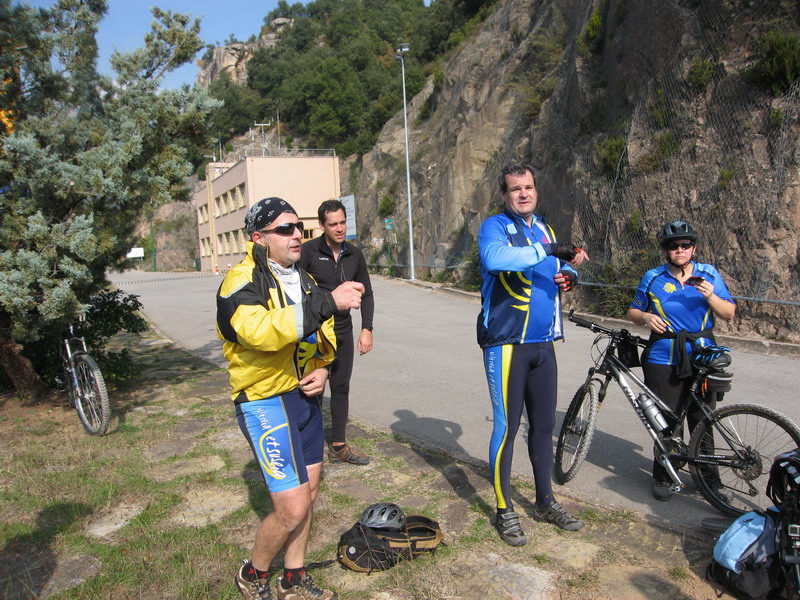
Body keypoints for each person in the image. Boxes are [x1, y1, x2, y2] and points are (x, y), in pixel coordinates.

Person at [217, 197, 363, 600]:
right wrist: (328, 302)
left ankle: (293, 578)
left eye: (298, 226)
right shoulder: (240, 279)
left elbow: (326, 333)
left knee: (311, 495)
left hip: (304, 401)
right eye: (285, 228)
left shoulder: (304, 280)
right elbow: (258, 330)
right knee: (293, 508)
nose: (297, 234)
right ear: (258, 237)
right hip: (263, 402)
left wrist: (322, 366)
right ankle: (253, 573)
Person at [477, 162, 590, 546]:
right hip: (507, 343)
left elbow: (556, 269)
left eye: (528, 187)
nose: (522, 193)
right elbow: (496, 260)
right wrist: (548, 249)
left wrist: (569, 275)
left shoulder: (544, 228)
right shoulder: (495, 227)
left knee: (543, 428)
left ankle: (545, 502)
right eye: (514, 189)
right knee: (506, 428)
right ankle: (505, 510)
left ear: (536, 190)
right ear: (504, 195)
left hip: (543, 343)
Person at [628, 219, 736, 501]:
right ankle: (664, 476)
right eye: (673, 246)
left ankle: (709, 481)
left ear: (694, 247)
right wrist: (647, 317)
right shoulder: (653, 277)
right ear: (666, 250)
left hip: (702, 355)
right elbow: (633, 312)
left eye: (685, 245)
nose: (680, 249)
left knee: (704, 420)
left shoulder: (708, 274)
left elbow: (729, 314)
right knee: (667, 420)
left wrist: (711, 296)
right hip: (662, 357)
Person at [299, 200, 374, 465]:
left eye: (343, 222)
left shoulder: (354, 254)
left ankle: (339, 447)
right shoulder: (308, 252)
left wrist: (367, 328)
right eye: (333, 224)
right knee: (313, 390)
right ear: (322, 225)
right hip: (315, 334)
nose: (340, 228)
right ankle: (308, 446)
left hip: (343, 330)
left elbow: (367, 292)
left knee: (341, 388)